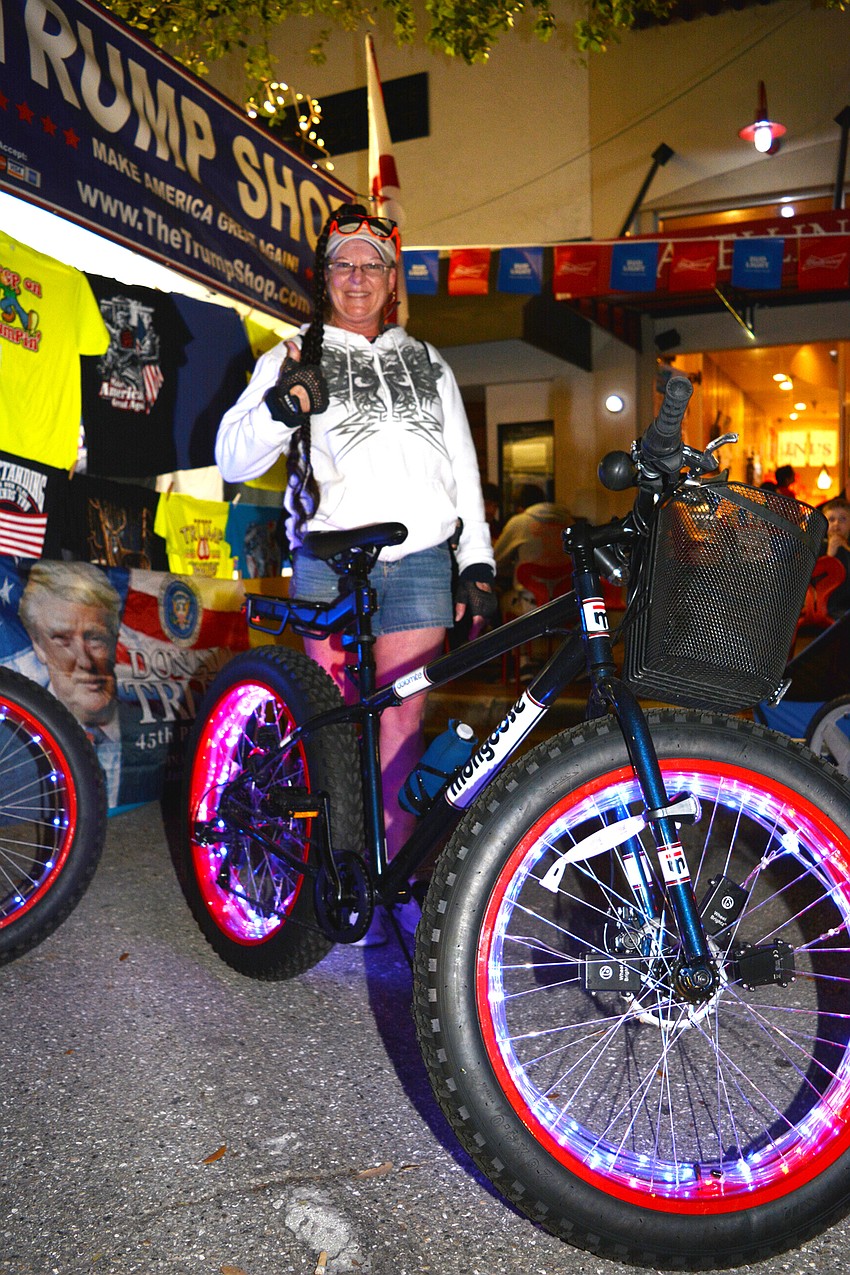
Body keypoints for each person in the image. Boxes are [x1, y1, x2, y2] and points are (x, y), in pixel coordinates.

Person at [215, 204, 496, 939]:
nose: (357, 277)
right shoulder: (291, 355)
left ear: (392, 277)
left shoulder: (430, 361)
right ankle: (337, 876)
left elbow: (461, 469)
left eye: (371, 263)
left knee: (401, 725)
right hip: (330, 564)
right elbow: (231, 456)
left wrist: (478, 562)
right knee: (335, 730)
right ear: (325, 277)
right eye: (343, 264)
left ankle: (393, 885)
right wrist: (283, 405)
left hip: (418, 563)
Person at [19, 561, 123, 806]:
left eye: (95, 638)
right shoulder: (16, 737)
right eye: (63, 640)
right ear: (38, 645)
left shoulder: (149, 726)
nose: (85, 661)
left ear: (115, 638)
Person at [823, 496, 850, 618]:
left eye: (843, 519)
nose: (836, 524)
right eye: (831, 519)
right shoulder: (819, 548)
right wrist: (830, 555)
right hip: (827, 608)